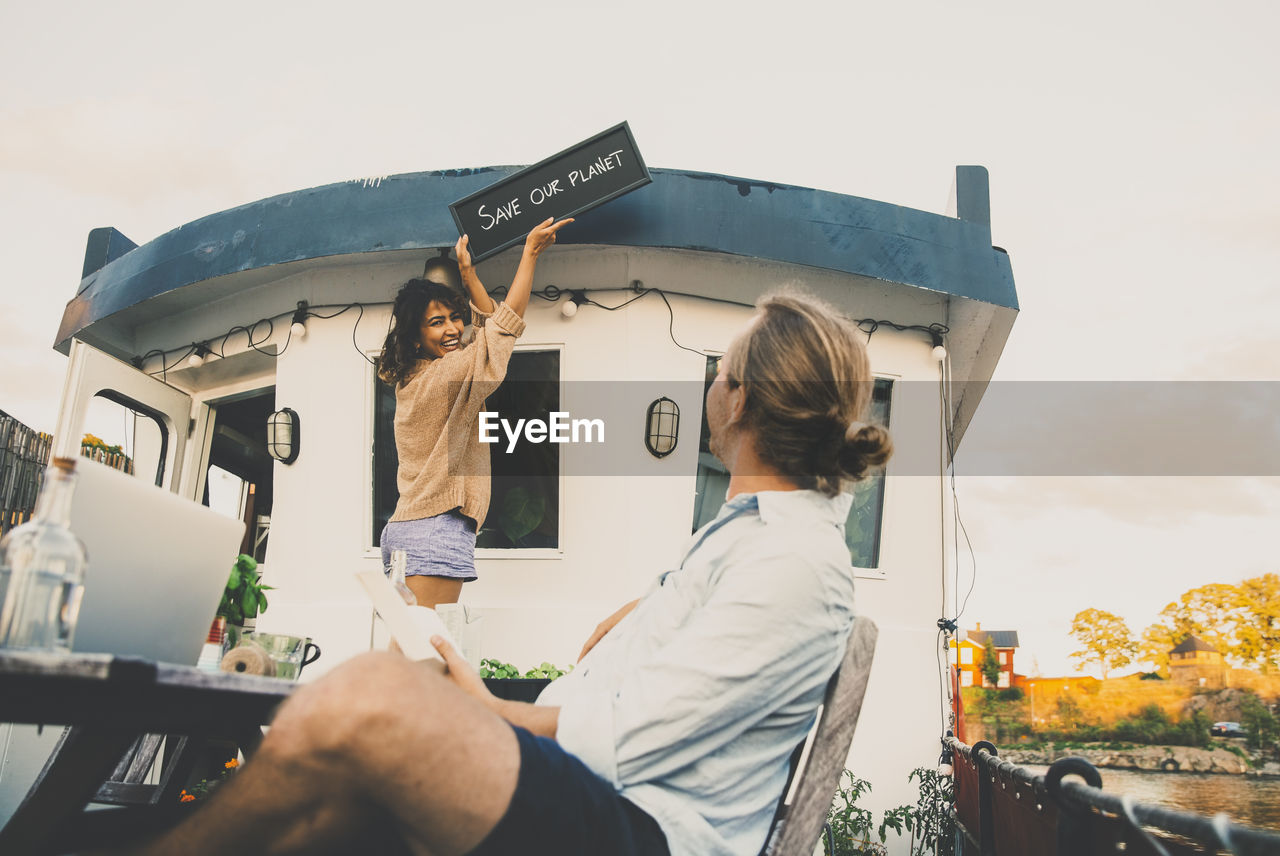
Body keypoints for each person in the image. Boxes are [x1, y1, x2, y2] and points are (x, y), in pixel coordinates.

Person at [126, 290, 892, 856]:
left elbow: (624, 742)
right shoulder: (747, 541)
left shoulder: (790, 562)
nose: (711, 389)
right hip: (607, 792)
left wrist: (485, 707)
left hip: (643, 828)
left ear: (743, 399)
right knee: (343, 802)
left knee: (370, 694)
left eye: (719, 373)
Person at [376, 217, 572, 608]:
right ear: (415, 337)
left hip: (412, 529)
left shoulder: (414, 379)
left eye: (454, 317)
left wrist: (469, 276)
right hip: (435, 527)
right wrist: (530, 254)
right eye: (437, 322)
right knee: (426, 651)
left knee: (413, 647)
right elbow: (501, 330)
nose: (452, 329)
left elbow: (484, 328)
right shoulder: (445, 377)